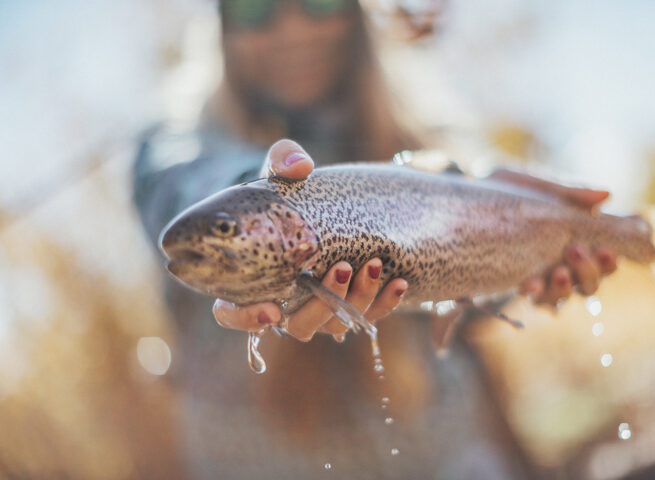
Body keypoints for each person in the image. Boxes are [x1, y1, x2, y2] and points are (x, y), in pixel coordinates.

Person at [134, 1, 616, 478]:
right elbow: (179, 187)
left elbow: (461, 311)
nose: (292, 29)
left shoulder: (432, 138)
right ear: (222, 26)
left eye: (319, 2)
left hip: (450, 462)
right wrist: (256, 188)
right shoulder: (178, 136)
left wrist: (532, 260)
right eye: (255, 8)